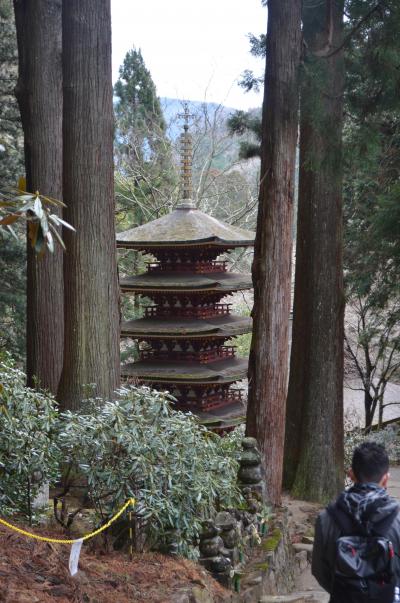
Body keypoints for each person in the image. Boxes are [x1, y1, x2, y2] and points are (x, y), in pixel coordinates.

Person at [312, 441, 400, 602]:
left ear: (351, 474)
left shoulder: (326, 518)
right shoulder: (398, 518)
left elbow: (319, 570)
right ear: (386, 479)